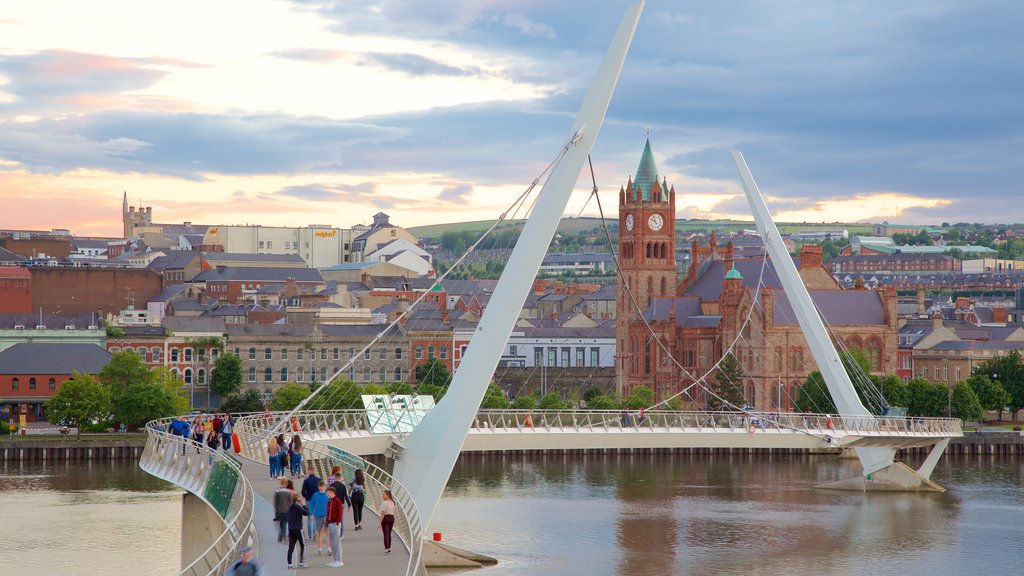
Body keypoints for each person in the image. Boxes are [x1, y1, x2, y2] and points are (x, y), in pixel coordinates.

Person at [286, 493, 309, 568]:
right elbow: (306, 512)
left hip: (291, 528)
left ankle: (290, 563)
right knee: (303, 545)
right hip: (298, 528)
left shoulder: (289, 508)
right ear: (297, 500)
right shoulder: (298, 507)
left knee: (291, 547)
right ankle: (302, 562)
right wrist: (303, 505)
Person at [325, 486, 344, 568]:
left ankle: (339, 560)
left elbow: (340, 512)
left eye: (327, 493)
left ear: (332, 492)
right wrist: (326, 522)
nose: (327, 494)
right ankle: (334, 559)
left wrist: (338, 521)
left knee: (336, 542)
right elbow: (328, 513)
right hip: (330, 523)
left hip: (335, 523)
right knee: (332, 543)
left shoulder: (338, 501)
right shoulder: (329, 502)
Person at [300, 465, 321, 539]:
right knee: (315, 516)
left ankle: (310, 535)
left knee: (309, 517)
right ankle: (315, 531)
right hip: (317, 500)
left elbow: (302, 491)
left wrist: (306, 496)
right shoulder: (319, 480)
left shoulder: (306, 481)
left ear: (309, 471)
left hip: (309, 499)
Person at [310, 481, 329, 555]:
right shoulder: (315, 495)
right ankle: (320, 549)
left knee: (327, 533)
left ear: (325, 487)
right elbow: (311, 504)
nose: (321, 488)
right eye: (320, 486)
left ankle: (328, 548)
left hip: (326, 516)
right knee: (319, 533)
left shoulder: (327, 495)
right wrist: (311, 514)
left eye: (322, 486)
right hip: (318, 516)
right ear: (318, 487)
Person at [273, 479, 291, 543]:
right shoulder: (288, 492)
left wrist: (276, 510)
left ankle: (281, 536)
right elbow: (290, 502)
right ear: (286, 484)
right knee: (284, 524)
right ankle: (283, 537)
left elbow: (276, 502)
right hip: (286, 510)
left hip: (279, 510)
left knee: (281, 524)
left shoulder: (277, 491)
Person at [379, 489, 396, 555]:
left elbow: (383, 513)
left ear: (388, 495)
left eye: (384, 494)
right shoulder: (392, 502)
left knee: (385, 534)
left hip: (386, 518)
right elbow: (393, 511)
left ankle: (386, 549)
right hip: (391, 518)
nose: (383, 496)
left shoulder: (384, 503)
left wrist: (380, 522)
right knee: (389, 534)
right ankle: (389, 548)